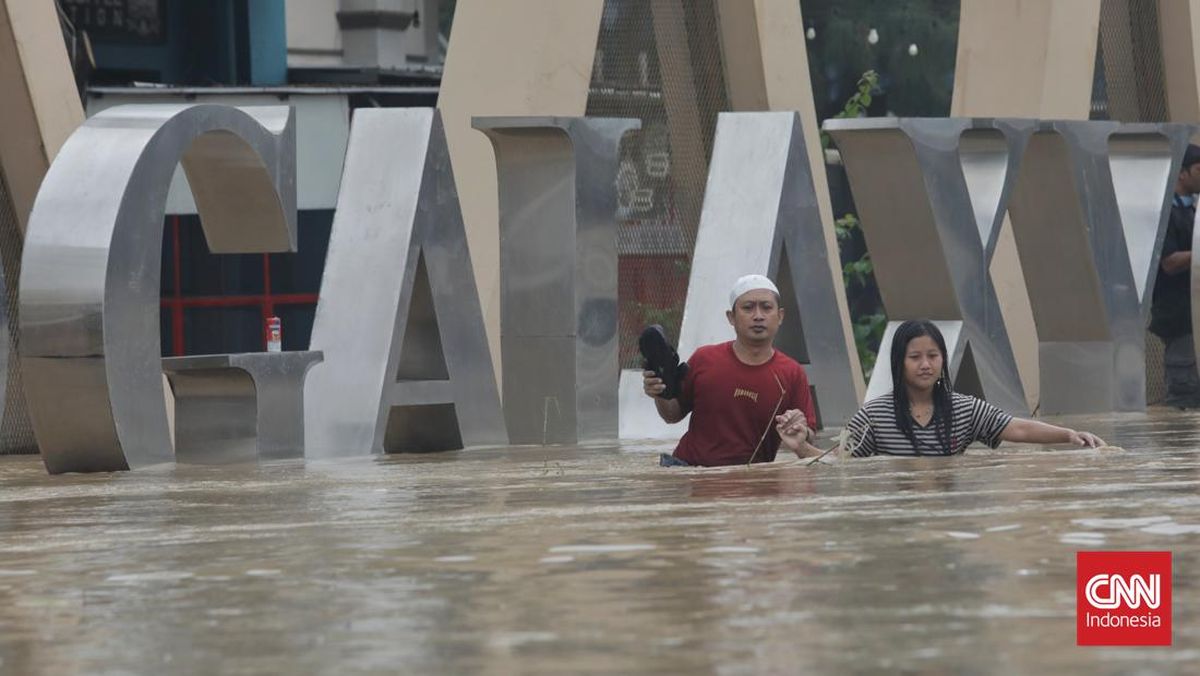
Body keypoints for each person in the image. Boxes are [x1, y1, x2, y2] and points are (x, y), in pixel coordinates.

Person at [840, 320, 1105, 457]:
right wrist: (803, 448)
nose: (925, 365)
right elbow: (840, 463)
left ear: (943, 359)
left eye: (933, 356)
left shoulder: (964, 409)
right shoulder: (872, 417)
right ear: (899, 362)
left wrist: (1069, 434)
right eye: (915, 357)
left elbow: (1017, 428)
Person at [643, 274, 821, 466]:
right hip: (687, 472)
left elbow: (809, 438)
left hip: (753, 479)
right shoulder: (704, 359)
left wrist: (800, 431)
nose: (758, 316)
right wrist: (660, 393)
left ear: (780, 316)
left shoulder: (792, 373)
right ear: (731, 317)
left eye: (766, 307)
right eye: (748, 308)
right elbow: (671, 416)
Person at [1150, 144, 1200, 409]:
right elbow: (1169, 262)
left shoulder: (1192, 210)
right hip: (1178, 314)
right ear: (1181, 173)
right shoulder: (1165, 212)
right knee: (1185, 392)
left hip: (1193, 313)